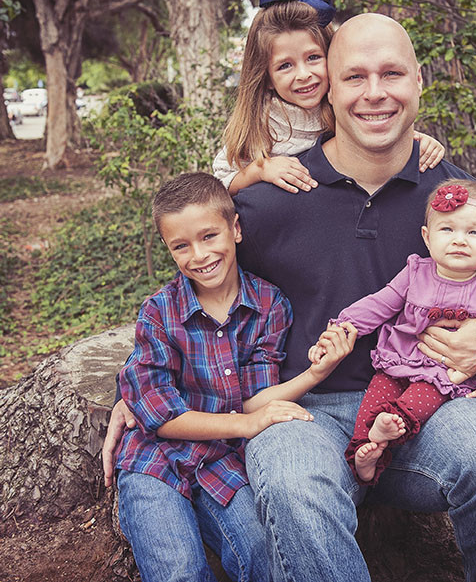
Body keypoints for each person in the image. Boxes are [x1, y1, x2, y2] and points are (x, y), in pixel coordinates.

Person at [105, 13, 476, 582]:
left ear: (419, 82)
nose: (375, 93)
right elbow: (197, 274)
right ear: (329, 93)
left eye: (392, 74)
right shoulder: (274, 199)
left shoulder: (458, 203)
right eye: (355, 77)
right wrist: (139, 381)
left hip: (428, 403)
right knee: (292, 484)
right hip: (301, 413)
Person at [114, 172, 352, 582]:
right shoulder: (158, 312)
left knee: (263, 556)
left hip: (221, 461)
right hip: (154, 458)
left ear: (235, 228)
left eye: (209, 236)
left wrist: (318, 372)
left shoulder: (268, 305)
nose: (199, 255)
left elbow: (258, 397)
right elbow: (160, 415)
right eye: (181, 246)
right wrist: (244, 424)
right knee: (180, 571)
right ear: (169, 250)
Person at [308, 179, 476, 485]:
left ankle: (392, 425)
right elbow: (380, 304)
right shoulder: (417, 271)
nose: (459, 240)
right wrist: (343, 326)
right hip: (397, 362)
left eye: (474, 232)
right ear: (427, 238)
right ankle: (365, 450)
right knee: (375, 397)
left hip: (443, 375)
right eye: (448, 229)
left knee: (421, 398)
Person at [212, 0, 445, 194]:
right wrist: (259, 170)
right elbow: (222, 181)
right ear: (267, 78)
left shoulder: (344, 107)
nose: (303, 75)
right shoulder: (262, 124)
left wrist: (420, 142)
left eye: (313, 58)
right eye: (285, 65)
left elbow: (381, 130)